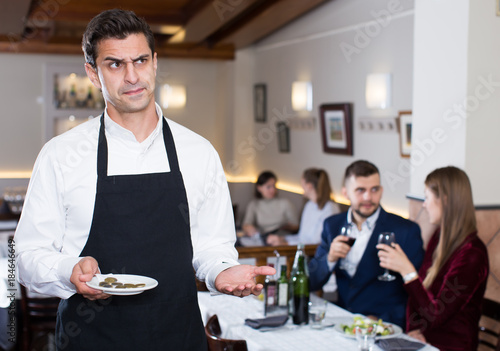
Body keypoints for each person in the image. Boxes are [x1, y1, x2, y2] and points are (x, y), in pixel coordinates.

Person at [14, 9, 274, 350]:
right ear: (92, 73)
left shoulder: (198, 152)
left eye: (140, 60)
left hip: (177, 336)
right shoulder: (61, 155)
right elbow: (24, 256)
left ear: (155, 61)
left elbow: (212, 246)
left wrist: (221, 271)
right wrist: (68, 268)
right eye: (115, 64)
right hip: (91, 338)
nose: (132, 76)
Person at [377, 166, 489, 351]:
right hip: (424, 341)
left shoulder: (472, 254)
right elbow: (419, 294)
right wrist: (413, 330)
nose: (423, 204)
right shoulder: (439, 238)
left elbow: (436, 314)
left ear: (444, 200)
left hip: (452, 346)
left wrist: (408, 272)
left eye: (427, 197)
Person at [308, 160, 424, 328]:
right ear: (346, 193)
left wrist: (385, 321)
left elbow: (418, 291)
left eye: (374, 190)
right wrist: (330, 258)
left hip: (386, 327)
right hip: (342, 323)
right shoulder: (332, 225)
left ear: (381, 191)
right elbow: (312, 281)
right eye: (360, 190)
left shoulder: (406, 230)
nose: (368, 197)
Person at [266, 168, 340, 246]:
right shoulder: (309, 205)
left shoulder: (330, 209)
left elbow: (316, 243)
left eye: (302, 183)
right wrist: (281, 239)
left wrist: (285, 243)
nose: (301, 186)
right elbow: (302, 237)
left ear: (309, 186)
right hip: (302, 249)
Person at [241, 171, 299, 239]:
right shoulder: (254, 205)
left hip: (282, 239)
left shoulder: (285, 203)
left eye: (274, 186)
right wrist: (249, 228)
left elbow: (296, 226)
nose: (272, 190)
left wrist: (286, 227)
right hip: (263, 239)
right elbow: (246, 224)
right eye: (268, 187)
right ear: (259, 188)